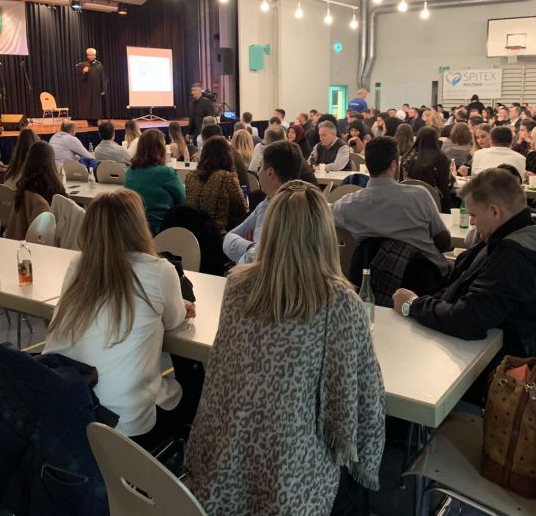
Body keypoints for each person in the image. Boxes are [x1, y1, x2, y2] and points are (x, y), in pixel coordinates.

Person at [185, 181, 385, 515]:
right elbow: (358, 399)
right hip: (290, 473)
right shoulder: (340, 302)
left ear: (271, 229)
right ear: (325, 234)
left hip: (222, 451)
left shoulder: (237, 285)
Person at [44, 189, 195, 444]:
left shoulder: (78, 265)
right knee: (193, 385)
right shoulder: (159, 271)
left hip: (68, 405)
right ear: (138, 226)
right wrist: (180, 305)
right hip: (125, 425)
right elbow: (173, 321)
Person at [393, 169, 536, 372]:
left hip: (495, 366)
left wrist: (412, 305)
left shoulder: (514, 259)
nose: (472, 222)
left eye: (474, 215)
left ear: (495, 212)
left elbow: (469, 320)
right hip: (506, 350)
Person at [334, 136, 452, 279]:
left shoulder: (349, 204)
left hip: (375, 282)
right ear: (394, 165)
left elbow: (320, 215)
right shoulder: (420, 196)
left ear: (368, 164)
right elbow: (443, 242)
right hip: (426, 282)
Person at [223, 140, 303, 264]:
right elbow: (228, 239)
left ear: (270, 172)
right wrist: (251, 247)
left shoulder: (292, 213)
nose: (258, 172)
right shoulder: (265, 204)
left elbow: (262, 261)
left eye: (260, 167)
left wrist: (249, 250)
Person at [124, 129, 185, 233]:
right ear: (160, 148)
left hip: (134, 228)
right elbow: (182, 199)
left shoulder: (129, 171)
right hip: (161, 229)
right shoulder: (166, 173)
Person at [184, 137, 248, 234]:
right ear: (227, 155)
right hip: (217, 236)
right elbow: (241, 209)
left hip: (193, 233)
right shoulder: (226, 177)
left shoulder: (191, 176)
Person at [9, 141, 66, 240]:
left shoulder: (24, 190)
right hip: (41, 249)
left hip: (18, 246)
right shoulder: (42, 202)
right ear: (51, 163)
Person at [398, 126, 451, 201]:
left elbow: (402, 179)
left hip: (408, 198)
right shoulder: (440, 158)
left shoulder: (407, 156)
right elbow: (444, 181)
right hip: (433, 200)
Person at [75, 47, 107, 126]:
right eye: (89, 55)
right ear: (87, 56)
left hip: (97, 90)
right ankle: (89, 122)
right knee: (87, 106)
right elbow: (79, 78)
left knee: (96, 106)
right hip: (87, 90)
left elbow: (103, 78)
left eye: (93, 55)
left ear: (95, 55)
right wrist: (83, 72)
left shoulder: (99, 65)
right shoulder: (83, 65)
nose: (91, 57)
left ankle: (95, 122)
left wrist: (103, 89)